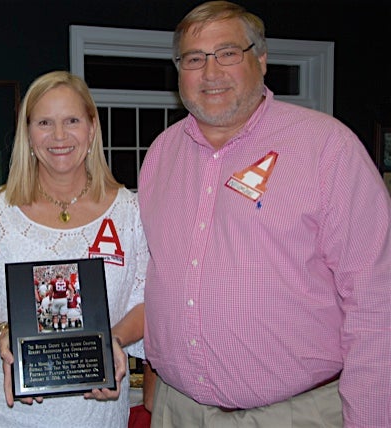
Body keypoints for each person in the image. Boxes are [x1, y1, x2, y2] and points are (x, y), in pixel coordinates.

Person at [138, 1, 391, 427]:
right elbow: (158, 276)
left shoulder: (328, 148)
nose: (211, 72)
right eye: (194, 59)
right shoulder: (162, 153)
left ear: (261, 59)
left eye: (228, 53)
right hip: (178, 410)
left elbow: (376, 302)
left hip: (295, 415)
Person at [0, 70, 148, 427]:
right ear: (27, 134)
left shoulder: (130, 213)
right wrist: (0, 332)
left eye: (71, 120)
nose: (58, 136)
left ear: (92, 128)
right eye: (44, 122)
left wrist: (111, 342)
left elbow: (148, 301)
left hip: (94, 413)